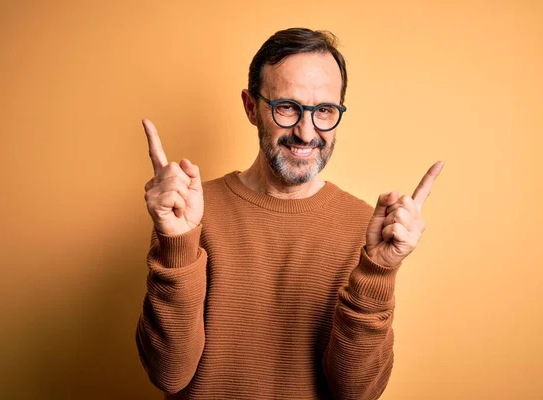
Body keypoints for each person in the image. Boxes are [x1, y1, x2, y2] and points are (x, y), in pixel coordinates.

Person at [136, 27, 444, 400]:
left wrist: (377, 270)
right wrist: (177, 244)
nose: (306, 131)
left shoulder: (366, 231)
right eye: (287, 107)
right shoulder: (188, 214)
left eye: (325, 111)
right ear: (252, 107)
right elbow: (169, 374)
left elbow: (357, 392)